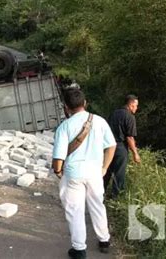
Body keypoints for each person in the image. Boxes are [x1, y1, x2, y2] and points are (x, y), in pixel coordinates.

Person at [52, 89, 117, 259]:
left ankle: (79, 249)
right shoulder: (100, 121)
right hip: (95, 172)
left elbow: (58, 158)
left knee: (75, 210)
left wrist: (58, 172)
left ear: (66, 107)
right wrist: (104, 168)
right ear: (85, 103)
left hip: (73, 174)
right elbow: (111, 145)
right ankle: (104, 241)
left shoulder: (64, 127)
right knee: (97, 205)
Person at [104, 94, 141, 198]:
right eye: (136, 105)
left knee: (106, 170)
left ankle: (100, 193)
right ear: (131, 104)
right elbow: (129, 137)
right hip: (120, 147)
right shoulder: (130, 117)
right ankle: (117, 197)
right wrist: (135, 153)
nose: (137, 108)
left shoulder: (114, 113)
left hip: (108, 146)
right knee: (119, 173)